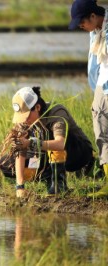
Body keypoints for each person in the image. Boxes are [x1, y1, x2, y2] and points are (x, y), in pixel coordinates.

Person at [0, 86, 94, 198]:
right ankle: (47, 175)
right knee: (2, 164)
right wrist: (20, 186)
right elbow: (21, 152)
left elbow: (60, 143)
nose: (24, 121)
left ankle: (59, 184)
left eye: (26, 116)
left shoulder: (56, 112)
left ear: (37, 107)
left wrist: (30, 143)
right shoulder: (24, 122)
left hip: (77, 153)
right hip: (45, 156)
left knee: (51, 135)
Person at [69, 0, 108, 197]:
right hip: (103, 85)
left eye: (81, 22)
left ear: (93, 16)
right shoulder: (95, 32)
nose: (81, 27)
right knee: (101, 131)